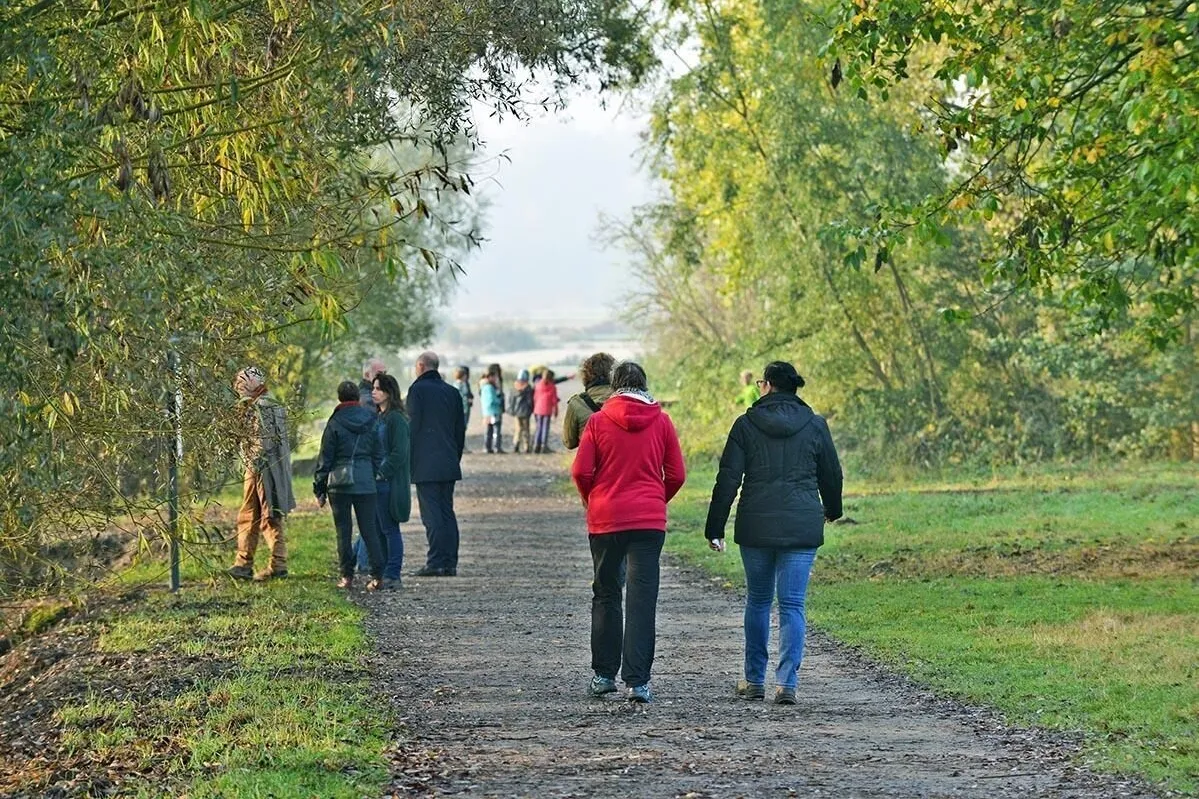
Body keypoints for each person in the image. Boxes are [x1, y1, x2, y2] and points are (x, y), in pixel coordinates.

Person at [703, 361, 843, 705]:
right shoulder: (815, 425)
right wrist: (832, 510)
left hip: (756, 524)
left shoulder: (746, 424)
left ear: (766, 386)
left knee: (759, 600)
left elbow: (728, 480)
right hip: (801, 524)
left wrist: (715, 526)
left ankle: (753, 680)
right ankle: (786, 684)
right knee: (793, 603)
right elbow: (832, 473)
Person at [571, 362, 686, 703]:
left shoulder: (598, 421)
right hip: (648, 522)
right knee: (641, 599)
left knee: (606, 593)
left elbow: (581, 470)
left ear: (615, 386)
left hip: (606, 519)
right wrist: (654, 501)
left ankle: (604, 675)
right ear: (644, 385)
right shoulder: (662, 421)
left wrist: (592, 500)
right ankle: (638, 683)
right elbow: (676, 473)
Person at [314, 381, 385, 591]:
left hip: (339, 483)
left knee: (343, 532)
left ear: (339, 398)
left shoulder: (334, 421)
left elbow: (325, 457)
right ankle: (378, 576)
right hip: (365, 483)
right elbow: (378, 454)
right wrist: (371, 474)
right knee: (369, 530)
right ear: (358, 397)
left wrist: (319, 488)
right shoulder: (371, 419)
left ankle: (346, 577)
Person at [228, 366, 296, 581]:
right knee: (269, 516)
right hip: (271, 469)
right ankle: (269, 564)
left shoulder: (262, 406)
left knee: (255, 516)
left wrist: (251, 462)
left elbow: (262, 441)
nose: (237, 387)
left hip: (262, 470)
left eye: (241, 382)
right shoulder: (271, 403)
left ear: (251, 383)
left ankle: (247, 564)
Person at [407, 351, 466, 576]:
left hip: (425, 462)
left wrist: (409, 460)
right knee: (446, 512)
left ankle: (435, 562)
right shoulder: (452, 392)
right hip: (449, 460)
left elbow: (413, 427)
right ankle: (449, 562)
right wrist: (455, 456)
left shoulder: (417, 390)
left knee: (431, 515)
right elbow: (460, 430)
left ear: (421, 366)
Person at [371, 373, 411, 590]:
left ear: (389, 392)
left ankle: (393, 574)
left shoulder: (396, 419)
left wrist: (381, 472)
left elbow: (399, 452)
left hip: (388, 482)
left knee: (389, 529)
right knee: (377, 529)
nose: (373, 392)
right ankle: (383, 573)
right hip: (376, 482)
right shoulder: (380, 417)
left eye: (378, 388)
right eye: (373, 388)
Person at [562, 352, 615, 450]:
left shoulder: (577, 403)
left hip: (591, 463)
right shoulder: (626, 399)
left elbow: (569, 442)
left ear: (586, 375)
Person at [532, 368, 560, 453]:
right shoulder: (552, 387)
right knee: (545, 428)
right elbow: (554, 401)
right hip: (547, 410)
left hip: (537, 409)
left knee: (538, 427)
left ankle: (536, 446)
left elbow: (535, 397)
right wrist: (556, 411)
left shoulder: (537, 385)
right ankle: (543, 446)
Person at [508, 369, 535, 453]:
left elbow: (511, 400)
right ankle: (527, 447)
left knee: (518, 429)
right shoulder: (528, 388)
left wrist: (512, 410)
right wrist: (531, 409)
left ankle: (516, 445)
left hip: (516, 412)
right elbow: (530, 401)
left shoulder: (514, 387)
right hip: (526, 412)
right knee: (526, 430)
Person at [480, 368, 506, 454]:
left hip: (486, 412)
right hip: (494, 411)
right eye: (494, 377)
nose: (495, 379)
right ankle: (496, 447)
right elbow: (491, 400)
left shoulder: (483, 387)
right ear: (490, 377)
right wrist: (499, 400)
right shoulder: (490, 387)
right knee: (496, 430)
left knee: (488, 431)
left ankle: (487, 447)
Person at [452, 366, 473, 452]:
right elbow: (463, 395)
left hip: (459, 408)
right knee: (462, 427)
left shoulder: (455, 384)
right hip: (463, 408)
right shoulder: (462, 384)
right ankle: (462, 446)